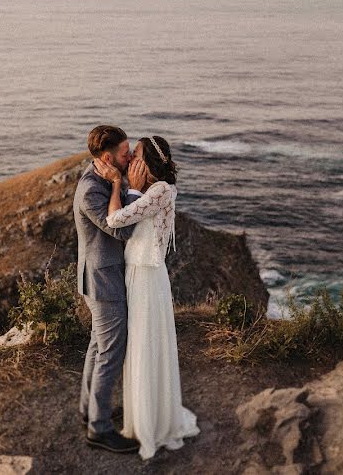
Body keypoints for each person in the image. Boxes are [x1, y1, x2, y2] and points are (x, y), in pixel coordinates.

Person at [94, 135, 200, 460]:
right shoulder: (161, 191)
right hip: (141, 273)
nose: (132, 162)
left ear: (148, 162)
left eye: (136, 155)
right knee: (142, 345)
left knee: (144, 345)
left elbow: (114, 220)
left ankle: (149, 424)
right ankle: (143, 414)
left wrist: (120, 186)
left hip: (146, 277)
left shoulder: (159, 191)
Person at [74, 125, 145, 454]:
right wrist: (120, 183)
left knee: (97, 346)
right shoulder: (92, 189)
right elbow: (120, 232)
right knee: (110, 353)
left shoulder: (100, 178)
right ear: (107, 158)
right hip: (103, 282)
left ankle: (90, 410)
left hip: (100, 278)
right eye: (123, 152)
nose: (129, 156)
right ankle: (99, 430)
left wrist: (121, 180)